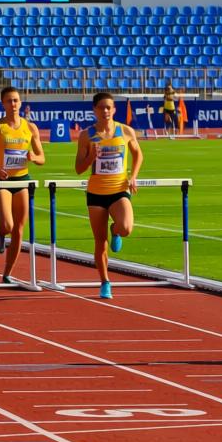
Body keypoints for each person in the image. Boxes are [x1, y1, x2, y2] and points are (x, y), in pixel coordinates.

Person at [75, 91, 144, 300]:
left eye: (109, 107)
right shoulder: (86, 135)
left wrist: (133, 175)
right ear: (94, 110)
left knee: (126, 227)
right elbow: (78, 168)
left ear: (114, 109)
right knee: (99, 241)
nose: (105, 111)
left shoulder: (125, 131)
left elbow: (138, 153)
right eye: (101, 107)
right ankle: (105, 281)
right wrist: (91, 157)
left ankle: (116, 230)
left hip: (119, 189)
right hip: (96, 192)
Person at [0, 87, 45, 284]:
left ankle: (7, 274)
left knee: (19, 230)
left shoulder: (30, 128)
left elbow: (42, 158)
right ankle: (0, 232)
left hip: (23, 181)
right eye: (9, 101)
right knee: (7, 225)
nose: (13, 104)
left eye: (15, 100)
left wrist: (33, 157)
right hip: (3, 181)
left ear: (20, 103)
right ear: (3, 104)